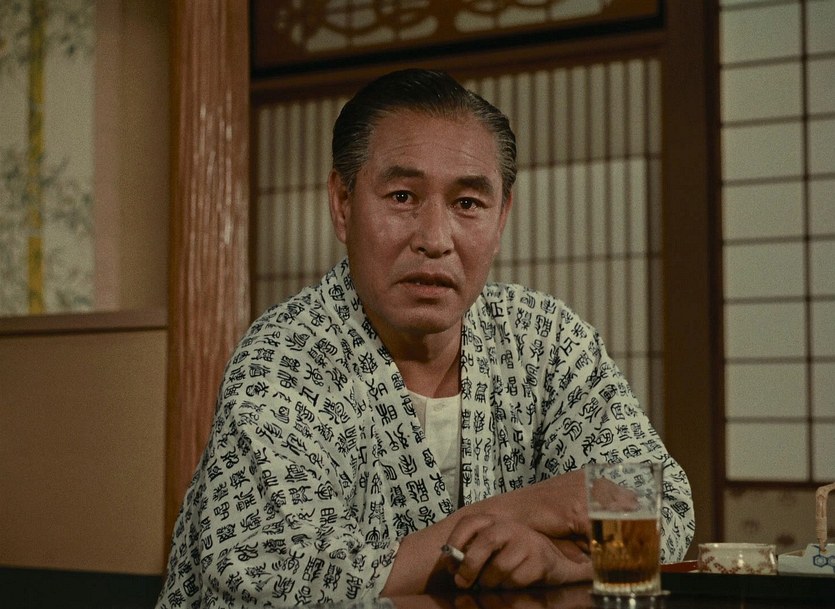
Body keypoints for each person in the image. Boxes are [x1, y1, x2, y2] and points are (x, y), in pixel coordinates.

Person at [156, 68, 694, 608]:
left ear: (502, 216)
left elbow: (663, 507)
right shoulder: (284, 358)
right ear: (342, 203)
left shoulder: (545, 339)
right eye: (402, 196)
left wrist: (558, 560)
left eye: (468, 204)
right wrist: (526, 509)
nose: (435, 239)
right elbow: (272, 580)